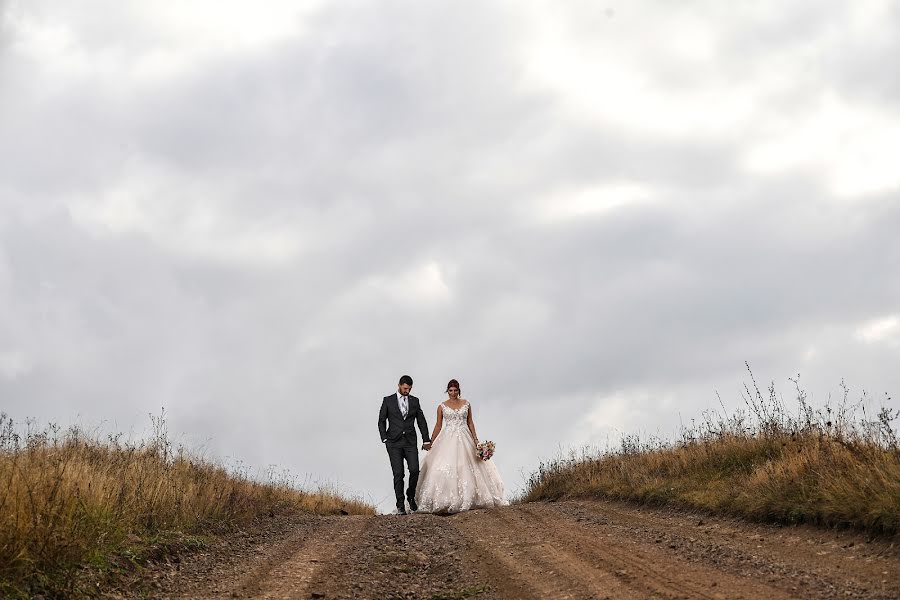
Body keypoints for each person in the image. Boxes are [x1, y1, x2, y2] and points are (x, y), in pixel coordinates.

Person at [415, 379, 507, 513]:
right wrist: (431, 441)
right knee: (444, 466)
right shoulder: (441, 406)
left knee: (469, 465)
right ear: (447, 391)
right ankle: (446, 499)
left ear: (459, 391)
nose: (453, 393)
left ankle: (471, 498)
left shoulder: (466, 404)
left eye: (455, 390)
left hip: (465, 437)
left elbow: (470, 423)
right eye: (450, 391)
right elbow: (438, 425)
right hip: (447, 438)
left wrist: (476, 440)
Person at [378, 375, 431, 515]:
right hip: (393, 442)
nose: (407, 391)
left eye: (410, 388)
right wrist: (384, 438)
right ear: (399, 385)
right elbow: (381, 420)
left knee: (414, 470)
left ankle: (410, 496)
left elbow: (421, 421)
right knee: (398, 473)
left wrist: (426, 439)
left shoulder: (415, 401)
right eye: (405, 388)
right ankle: (400, 504)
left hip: (409, 442)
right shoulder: (388, 400)